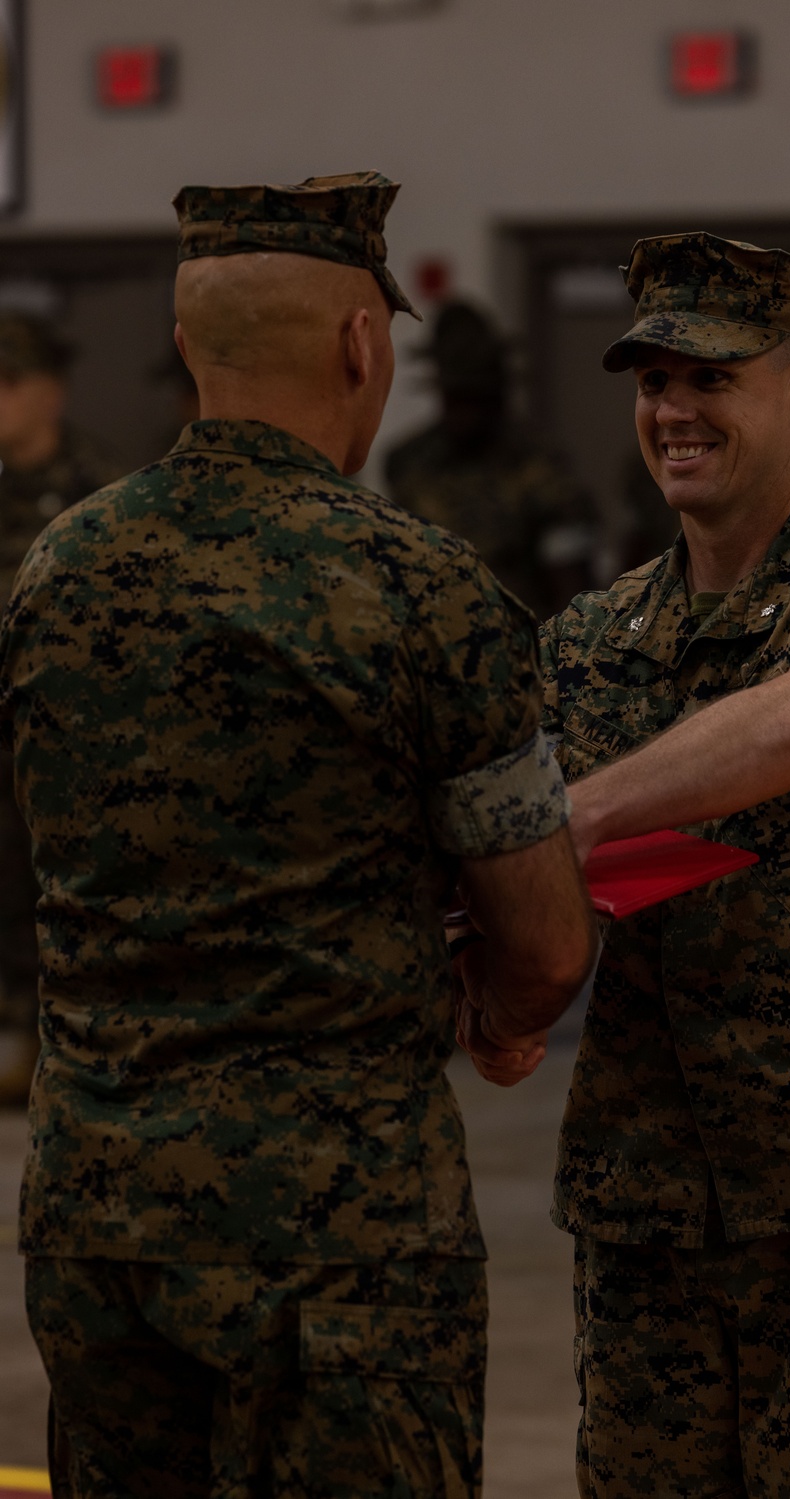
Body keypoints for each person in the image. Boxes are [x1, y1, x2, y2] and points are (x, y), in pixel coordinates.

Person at [0, 173, 597, 1499]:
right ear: (360, 343)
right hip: (339, 1237)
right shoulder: (421, 588)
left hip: (100, 1213)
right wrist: (498, 1011)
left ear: (185, 343)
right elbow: (549, 945)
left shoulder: (57, 569)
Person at [462, 233, 790, 1497]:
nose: (674, 411)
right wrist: (503, 992)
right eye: (653, 382)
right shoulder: (591, 641)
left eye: (710, 377)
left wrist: (560, 818)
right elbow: (581, 894)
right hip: (648, 1216)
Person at [0, 313, 123, 1107]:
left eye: (6, 385)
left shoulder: (99, 489)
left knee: (67, 888)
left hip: (76, 736)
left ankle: (67, 1039)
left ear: (48, 393)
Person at [385, 298, 596, 616]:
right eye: (454, 398)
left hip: (523, 641)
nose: (463, 414)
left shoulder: (538, 464)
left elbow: (571, 583)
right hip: (429, 641)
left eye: (473, 398)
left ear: (496, 395)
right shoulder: (408, 462)